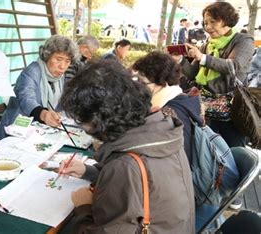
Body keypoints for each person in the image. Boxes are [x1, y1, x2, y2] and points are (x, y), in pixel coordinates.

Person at [58, 60, 195, 233]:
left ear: (99, 120)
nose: (84, 128)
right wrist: (87, 171)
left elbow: (127, 173)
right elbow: (139, 181)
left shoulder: (125, 165)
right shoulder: (160, 133)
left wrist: (83, 208)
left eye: (82, 122)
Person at [132, 52, 240, 231]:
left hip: (189, 197)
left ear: (162, 83)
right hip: (205, 186)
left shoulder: (167, 114)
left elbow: (162, 170)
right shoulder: (185, 100)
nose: (137, 87)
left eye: (142, 83)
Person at [182, 2, 255, 148]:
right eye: (205, 23)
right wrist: (179, 60)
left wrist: (202, 57)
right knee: (209, 149)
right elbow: (192, 73)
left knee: (234, 149)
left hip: (232, 109)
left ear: (226, 20)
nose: (208, 27)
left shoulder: (243, 40)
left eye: (213, 22)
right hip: (206, 107)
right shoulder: (208, 43)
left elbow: (233, 66)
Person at [0, 35, 79, 140]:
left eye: (67, 61)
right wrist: (44, 114)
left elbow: (60, 104)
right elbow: (27, 99)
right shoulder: (32, 71)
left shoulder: (59, 76)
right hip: (13, 134)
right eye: (58, 59)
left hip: (39, 133)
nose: (62, 66)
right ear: (47, 56)